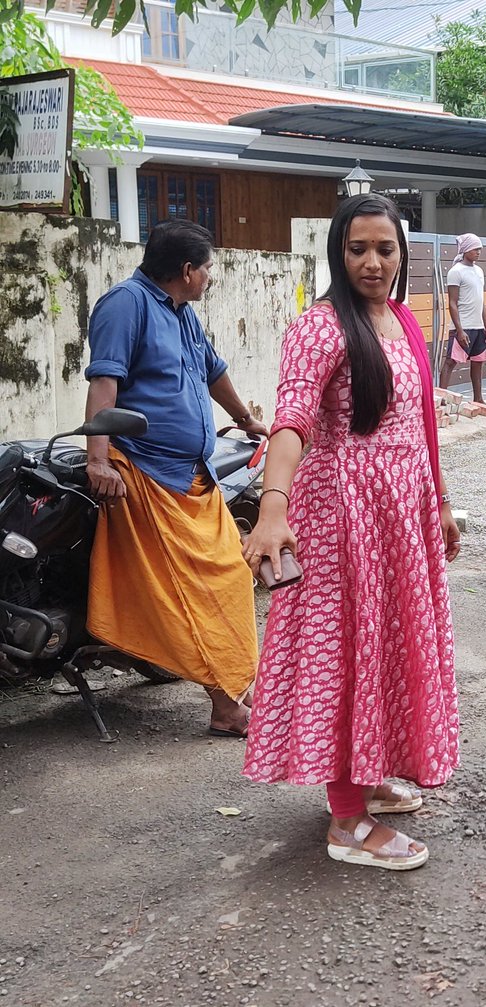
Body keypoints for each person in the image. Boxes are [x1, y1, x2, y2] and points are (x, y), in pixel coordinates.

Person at [241, 193, 460, 872]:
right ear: (339, 251)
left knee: (390, 645)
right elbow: (292, 420)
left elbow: (422, 422)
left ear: (403, 254)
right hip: (344, 517)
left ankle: (365, 776)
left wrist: (443, 503)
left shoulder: (400, 320)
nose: (372, 261)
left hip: (403, 515)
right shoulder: (320, 326)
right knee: (346, 655)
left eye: (384, 248)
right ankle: (345, 819)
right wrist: (272, 507)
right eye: (358, 248)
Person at [83, 219, 268, 737]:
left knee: (232, 573)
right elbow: (105, 382)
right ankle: (227, 706)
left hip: (191, 476)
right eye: (207, 268)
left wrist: (249, 420)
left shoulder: (181, 312)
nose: (210, 277)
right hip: (145, 472)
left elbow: (212, 370)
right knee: (196, 591)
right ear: (187, 271)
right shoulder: (126, 304)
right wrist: (98, 460)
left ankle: (237, 684)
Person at [438, 232, 486, 403]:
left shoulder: (479, 271)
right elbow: (452, 303)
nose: (478, 252)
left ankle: (478, 398)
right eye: (475, 248)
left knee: (478, 362)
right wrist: (459, 330)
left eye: (480, 249)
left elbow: (481, 300)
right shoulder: (456, 272)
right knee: (450, 362)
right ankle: (440, 400)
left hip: (478, 327)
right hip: (463, 326)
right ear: (466, 249)